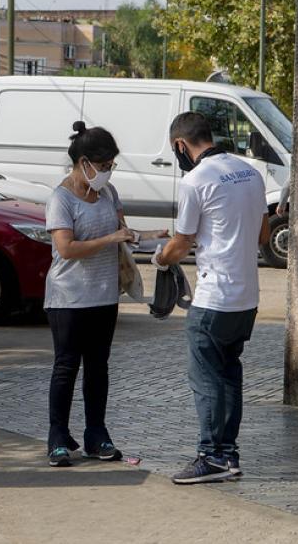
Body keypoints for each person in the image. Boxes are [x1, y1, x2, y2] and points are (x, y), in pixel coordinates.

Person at [152, 112, 270, 484]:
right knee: (228, 376)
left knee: (206, 380)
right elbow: (264, 236)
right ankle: (228, 455)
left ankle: (211, 456)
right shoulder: (250, 172)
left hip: (214, 298)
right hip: (246, 299)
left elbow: (181, 243)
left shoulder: (195, 180)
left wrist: (159, 257)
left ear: (180, 145)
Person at [44, 121, 168, 467]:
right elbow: (66, 249)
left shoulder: (108, 195)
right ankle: (57, 437)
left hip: (104, 296)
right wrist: (109, 240)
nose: (107, 173)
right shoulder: (60, 199)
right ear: (84, 162)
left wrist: (150, 235)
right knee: (66, 366)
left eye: (111, 166)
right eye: (103, 166)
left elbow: (122, 233)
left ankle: (96, 435)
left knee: (98, 368)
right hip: (68, 298)